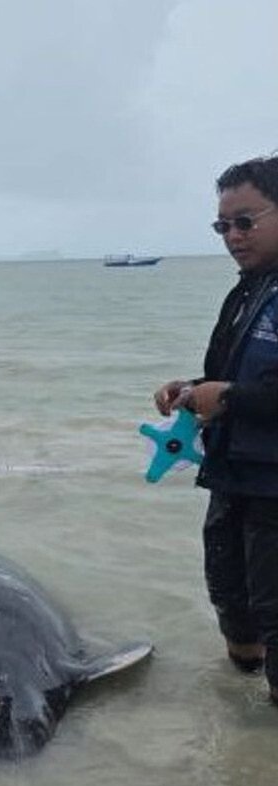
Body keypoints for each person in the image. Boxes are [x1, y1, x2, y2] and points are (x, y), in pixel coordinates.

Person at [154, 155, 278, 704]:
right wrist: (192, 389)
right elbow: (228, 376)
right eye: (222, 225)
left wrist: (227, 396)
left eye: (245, 221)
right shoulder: (248, 290)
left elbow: (242, 392)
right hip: (231, 476)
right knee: (230, 598)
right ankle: (240, 737)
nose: (231, 236)